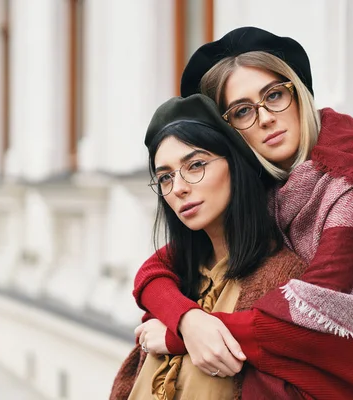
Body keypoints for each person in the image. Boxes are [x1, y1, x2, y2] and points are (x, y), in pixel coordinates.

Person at [130, 27, 353, 399]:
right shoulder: (265, 188)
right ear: (229, 131)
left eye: (274, 95)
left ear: (298, 94)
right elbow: (157, 269)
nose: (265, 117)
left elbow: (306, 319)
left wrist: (181, 334)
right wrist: (187, 318)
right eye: (243, 111)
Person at [110, 94, 308, 399]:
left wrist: (178, 337)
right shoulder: (177, 280)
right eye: (165, 178)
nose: (178, 188)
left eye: (196, 165)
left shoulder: (283, 281)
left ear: (235, 164)